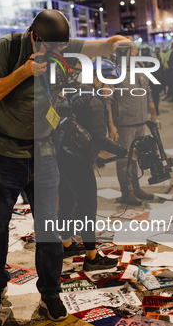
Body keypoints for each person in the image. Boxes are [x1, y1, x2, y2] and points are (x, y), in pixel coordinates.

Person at [0, 9, 137, 321]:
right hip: (5, 153)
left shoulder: (59, 47)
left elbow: (100, 45)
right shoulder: (8, 47)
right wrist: (23, 72)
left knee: (49, 229)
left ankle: (50, 292)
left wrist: (119, 42)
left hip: (45, 153)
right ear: (35, 37)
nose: (56, 55)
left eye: (61, 50)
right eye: (50, 49)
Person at [58, 61, 127, 271]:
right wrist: (123, 151)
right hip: (79, 161)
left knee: (68, 202)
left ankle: (66, 244)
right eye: (110, 83)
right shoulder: (95, 102)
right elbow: (97, 138)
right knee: (88, 208)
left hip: (64, 156)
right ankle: (91, 257)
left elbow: (78, 130)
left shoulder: (76, 92)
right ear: (98, 78)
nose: (112, 89)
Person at [108, 49, 157, 206]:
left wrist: (153, 115)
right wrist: (111, 125)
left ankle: (136, 189)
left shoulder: (140, 66)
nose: (134, 51)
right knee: (124, 160)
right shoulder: (113, 71)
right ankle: (127, 193)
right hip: (124, 123)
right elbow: (107, 99)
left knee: (137, 157)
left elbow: (148, 92)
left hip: (140, 121)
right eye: (130, 49)